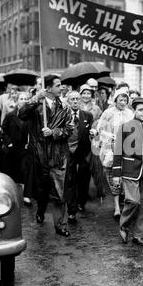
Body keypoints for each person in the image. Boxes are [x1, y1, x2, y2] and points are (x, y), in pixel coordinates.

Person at [19, 75, 73, 237]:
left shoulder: (64, 106)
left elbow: (70, 129)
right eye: (58, 85)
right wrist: (36, 98)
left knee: (59, 191)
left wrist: (54, 132)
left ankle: (60, 225)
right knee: (41, 190)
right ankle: (41, 210)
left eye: (61, 85)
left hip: (58, 155)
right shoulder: (36, 105)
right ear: (48, 88)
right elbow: (21, 114)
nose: (61, 87)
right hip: (40, 155)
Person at [113, 97, 143, 247]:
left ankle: (138, 235)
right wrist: (116, 174)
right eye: (140, 110)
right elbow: (117, 151)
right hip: (130, 170)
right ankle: (124, 225)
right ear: (134, 111)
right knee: (133, 201)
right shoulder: (125, 127)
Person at [97, 88, 134, 218]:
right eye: (120, 100)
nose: (123, 102)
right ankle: (117, 206)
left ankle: (126, 202)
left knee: (125, 175)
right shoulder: (108, 113)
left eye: (125, 100)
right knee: (113, 175)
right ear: (115, 100)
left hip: (126, 149)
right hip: (110, 148)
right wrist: (110, 136)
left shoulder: (130, 113)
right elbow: (100, 129)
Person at [64, 91, 94, 224]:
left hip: (84, 153)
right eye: (72, 99)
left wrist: (93, 134)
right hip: (68, 152)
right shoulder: (63, 116)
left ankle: (81, 202)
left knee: (83, 179)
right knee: (70, 180)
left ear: (81, 101)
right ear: (68, 101)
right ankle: (71, 210)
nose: (75, 101)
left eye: (77, 99)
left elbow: (90, 134)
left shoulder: (87, 115)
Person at [1, 92, 29, 186]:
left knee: (24, 171)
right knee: (12, 175)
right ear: (17, 101)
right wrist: (8, 143)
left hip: (25, 149)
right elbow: (3, 130)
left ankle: (25, 196)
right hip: (12, 149)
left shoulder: (31, 116)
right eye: (21, 99)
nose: (24, 101)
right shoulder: (10, 115)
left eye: (26, 99)